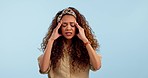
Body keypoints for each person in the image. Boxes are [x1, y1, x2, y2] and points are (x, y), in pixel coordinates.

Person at [37, 7, 102, 78]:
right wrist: (51, 40)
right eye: (64, 25)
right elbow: (43, 69)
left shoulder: (85, 49)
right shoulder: (52, 49)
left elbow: (97, 66)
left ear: (77, 27)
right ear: (59, 28)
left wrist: (85, 40)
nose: (68, 28)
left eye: (72, 25)